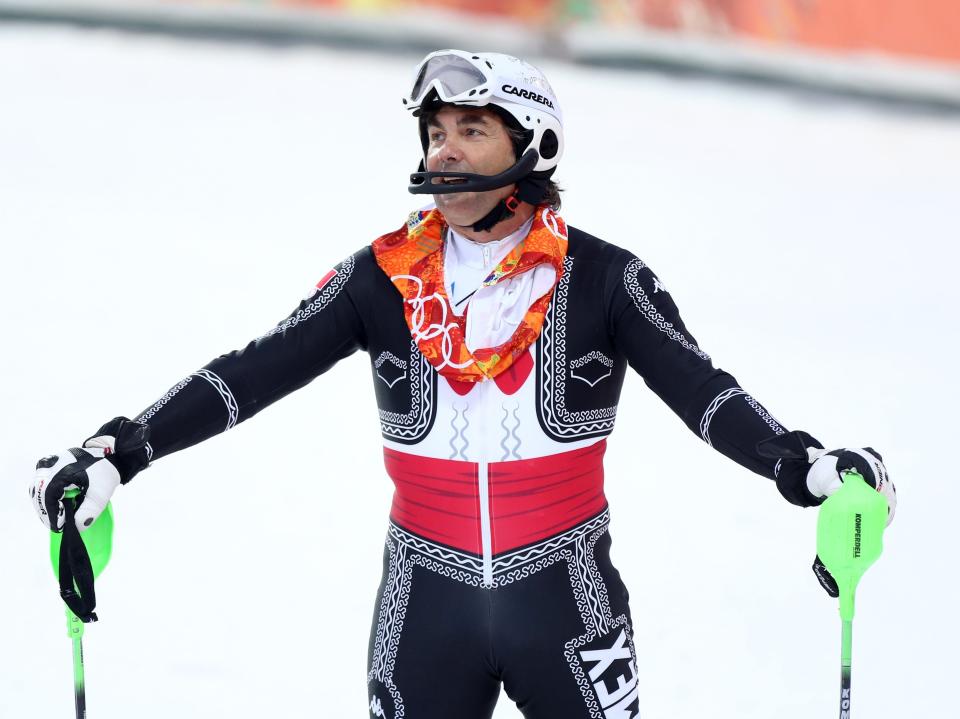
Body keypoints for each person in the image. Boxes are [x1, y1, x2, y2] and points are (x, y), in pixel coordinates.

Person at [30, 50, 897, 719]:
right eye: (435, 132)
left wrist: (806, 464)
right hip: (423, 602)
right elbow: (248, 372)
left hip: (565, 597)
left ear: (532, 148)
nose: (444, 151)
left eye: (471, 131)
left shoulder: (603, 278)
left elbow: (705, 394)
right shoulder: (381, 277)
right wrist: (120, 450)